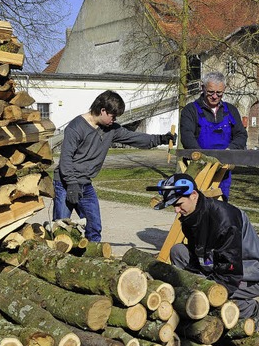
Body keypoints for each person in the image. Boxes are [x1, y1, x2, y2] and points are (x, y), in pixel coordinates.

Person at [150, 173, 259, 328]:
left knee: (217, 300)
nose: (176, 210)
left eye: (179, 204)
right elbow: (200, 251)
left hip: (250, 273)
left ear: (194, 195)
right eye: (173, 206)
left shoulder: (225, 220)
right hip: (217, 264)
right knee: (178, 251)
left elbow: (230, 271)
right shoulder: (190, 216)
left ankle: (252, 309)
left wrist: (207, 293)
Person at [54, 90, 176, 242]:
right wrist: (71, 184)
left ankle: (94, 259)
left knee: (94, 228)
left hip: (85, 183)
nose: (114, 120)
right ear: (103, 110)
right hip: (65, 183)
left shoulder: (110, 129)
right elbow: (65, 158)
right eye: (113, 116)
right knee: (60, 228)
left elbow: (134, 138)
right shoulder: (75, 127)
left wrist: (160, 139)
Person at [179, 72, 248, 200]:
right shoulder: (190, 110)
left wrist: (230, 151)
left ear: (224, 90)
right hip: (199, 169)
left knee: (221, 208)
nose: (215, 96)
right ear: (203, 88)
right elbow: (187, 136)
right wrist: (201, 158)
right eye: (211, 92)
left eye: (219, 93)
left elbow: (241, 135)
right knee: (197, 206)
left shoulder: (231, 110)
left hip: (223, 171)